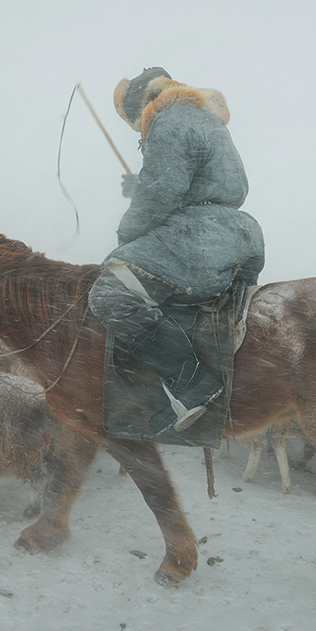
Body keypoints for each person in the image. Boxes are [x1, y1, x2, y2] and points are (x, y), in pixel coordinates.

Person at [87, 67, 265, 433]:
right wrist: (141, 183)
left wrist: (127, 235)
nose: (138, 131)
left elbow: (160, 196)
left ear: (142, 106)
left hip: (200, 237)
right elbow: (198, 181)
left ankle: (191, 382)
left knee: (110, 294)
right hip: (238, 236)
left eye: (135, 123)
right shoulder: (202, 118)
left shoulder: (169, 121)